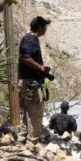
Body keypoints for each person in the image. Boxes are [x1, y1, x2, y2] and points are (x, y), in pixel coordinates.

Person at [18, 16, 54, 144]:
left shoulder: (30, 39)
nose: (45, 29)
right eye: (45, 26)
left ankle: (22, 140)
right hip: (31, 83)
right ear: (40, 27)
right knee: (36, 113)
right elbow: (25, 57)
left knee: (28, 112)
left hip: (27, 82)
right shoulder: (30, 39)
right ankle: (32, 143)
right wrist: (40, 67)